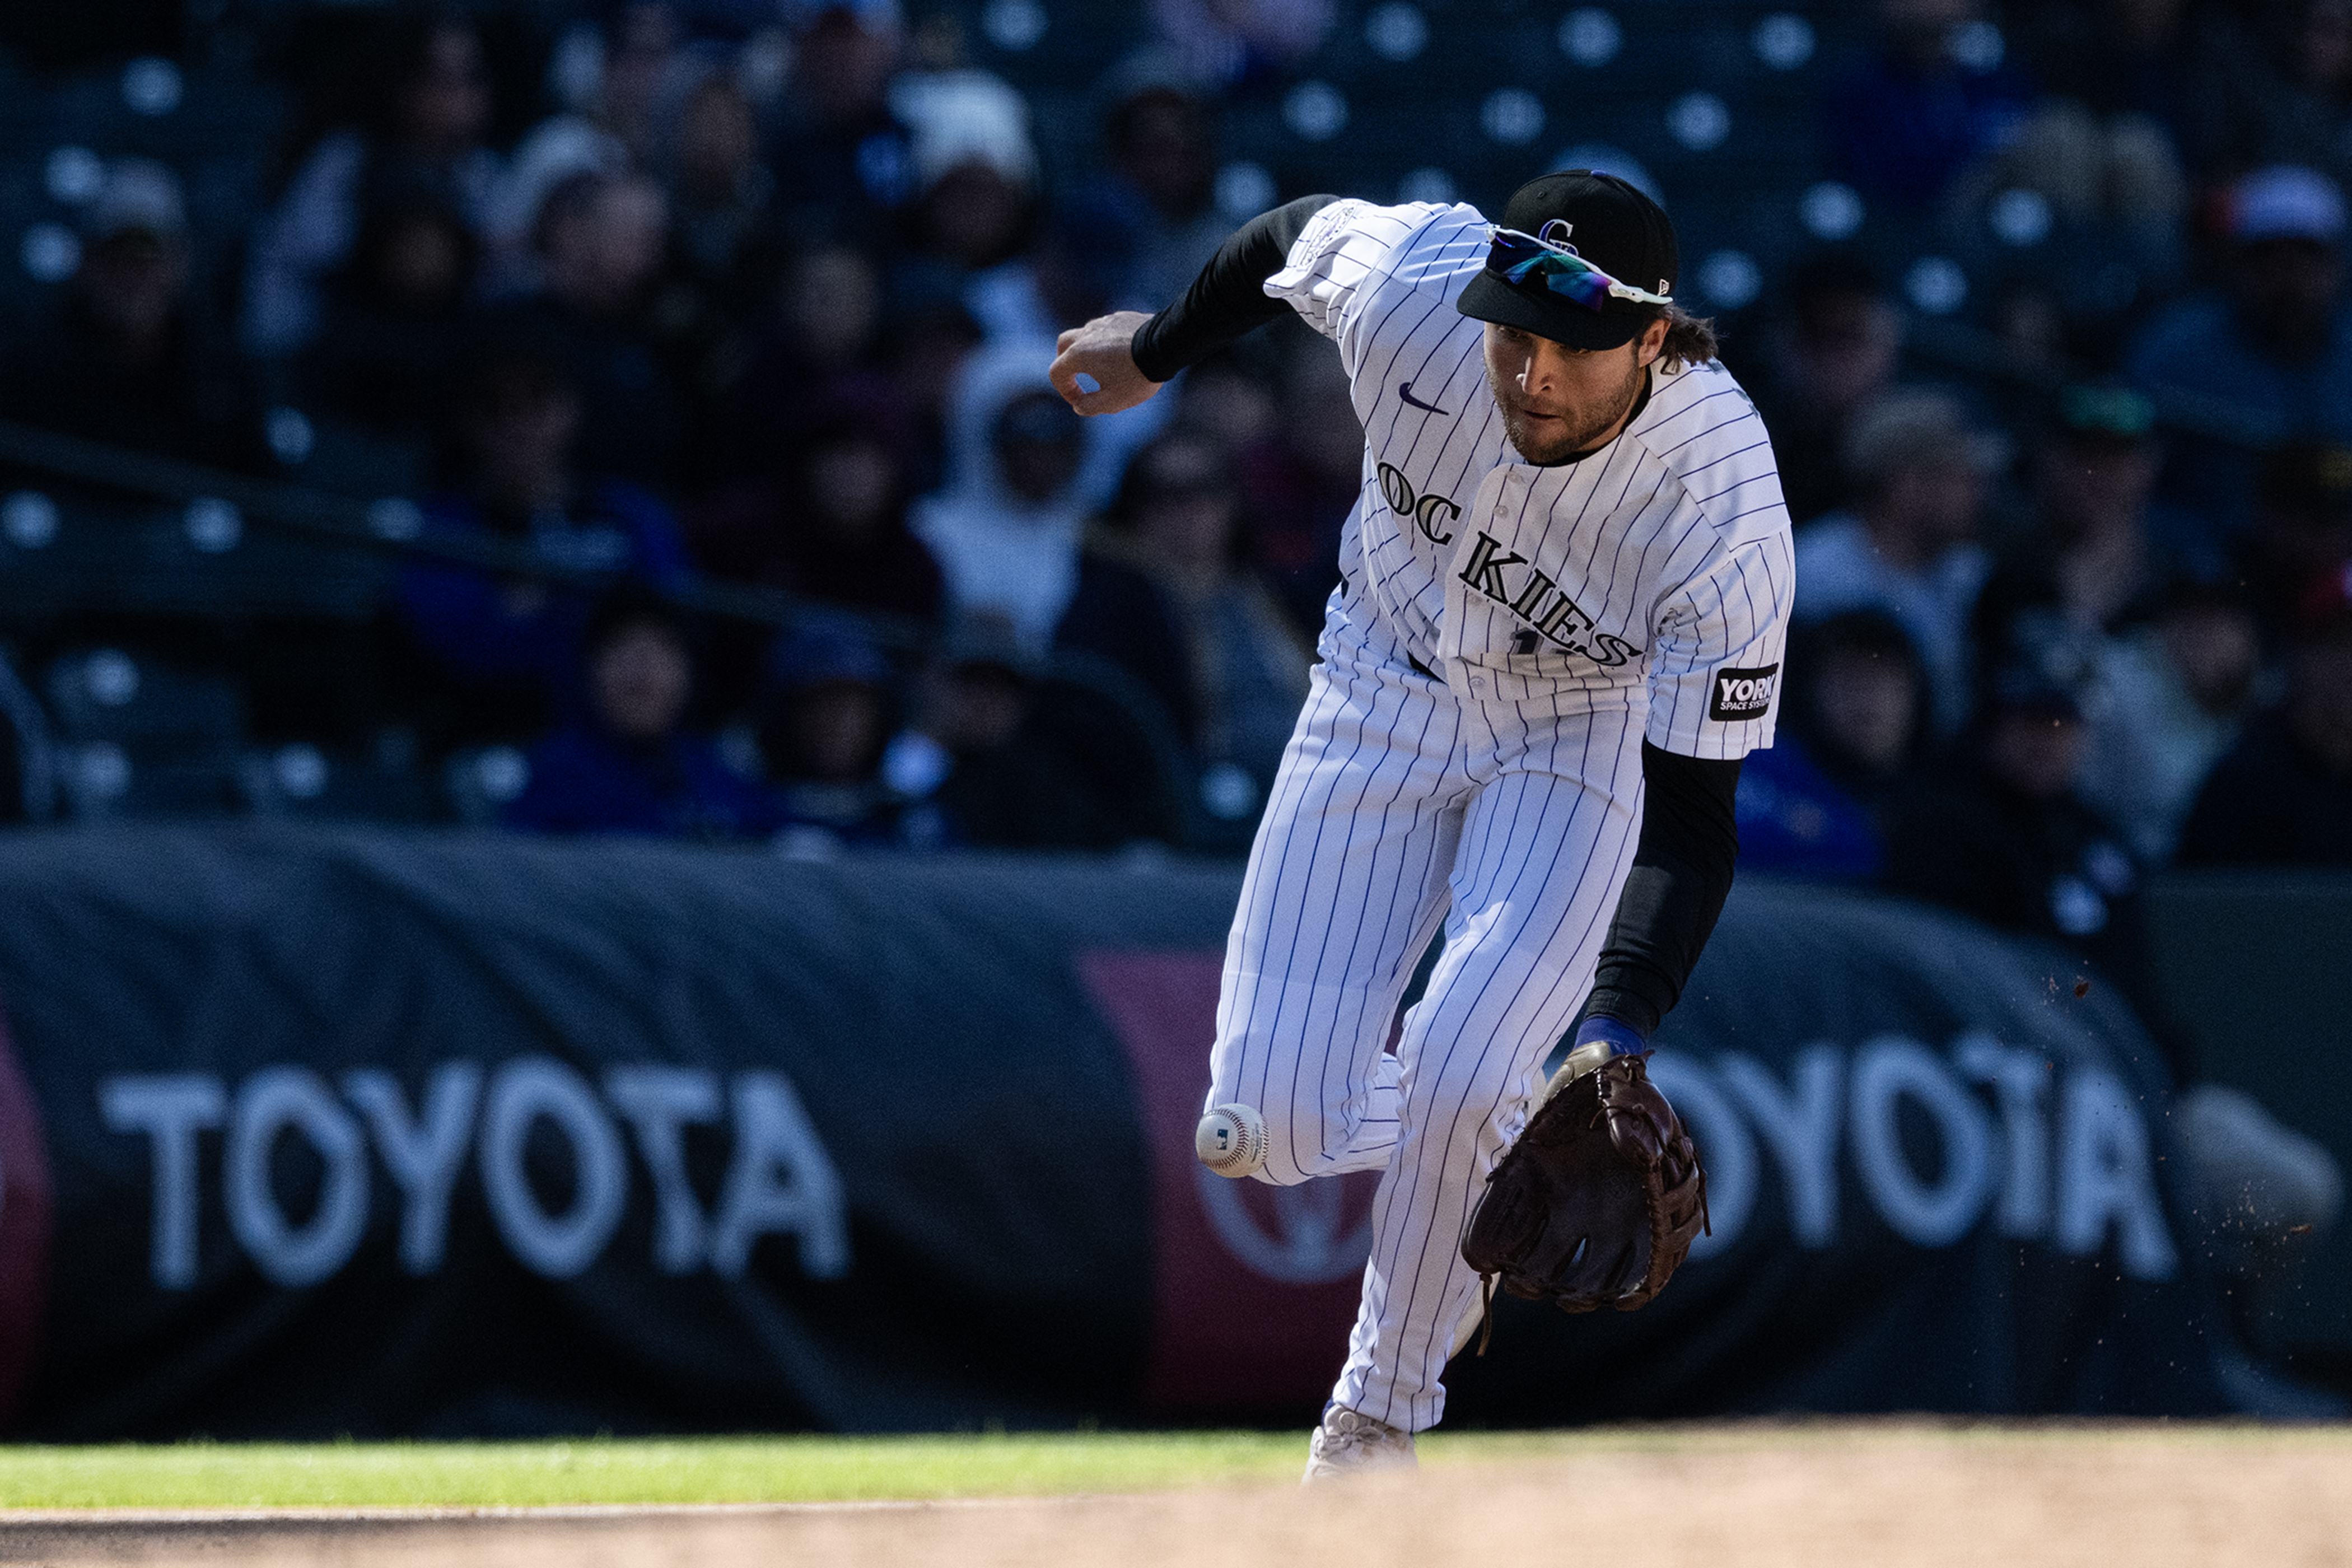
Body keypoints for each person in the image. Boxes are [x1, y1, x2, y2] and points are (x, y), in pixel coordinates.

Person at [1049, 172, 1791, 1474]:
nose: (1532, 371)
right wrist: (1158, 345)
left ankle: (1377, 1421)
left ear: (1657, 341)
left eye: (1575, 343)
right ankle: (1492, 1101)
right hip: (1380, 680)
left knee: (1458, 1062)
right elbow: (1286, 240)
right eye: (1514, 329)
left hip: (1578, 735)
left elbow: (1692, 819)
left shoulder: (1723, 507)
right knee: (1262, 1131)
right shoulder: (1413, 290)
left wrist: (1615, 1034)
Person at [1792, 388, 2000, 737]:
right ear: (1905, 485)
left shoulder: (1970, 573)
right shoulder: (1816, 571)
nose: (1979, 494)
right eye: (1962, 477)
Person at [506, 588, 783, 841]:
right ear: (590, 670)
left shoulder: (716, 774)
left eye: (663, 648)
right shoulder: (556, 773)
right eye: (622, 646)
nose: (643, 666)